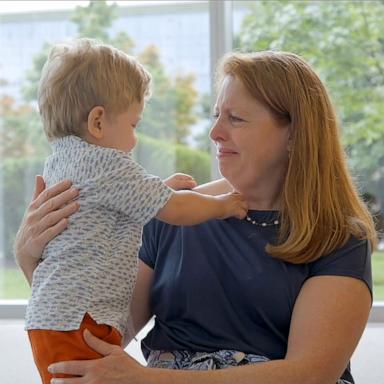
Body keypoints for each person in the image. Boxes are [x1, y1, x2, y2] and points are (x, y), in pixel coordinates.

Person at [15, 51, 377, 384]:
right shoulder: (172, 217)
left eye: (235, 118)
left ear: (296, 134)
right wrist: (30, 260)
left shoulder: (339, 238)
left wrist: (150, 380)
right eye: (215, 115)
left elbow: (311, 375)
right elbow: (104, 331)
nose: (214, 133)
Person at [23, 38, 247, 384]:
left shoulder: (63, 161)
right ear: (97, 121)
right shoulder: (108, 163)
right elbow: (175, 210)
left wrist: (159, 189)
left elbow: (120, 202)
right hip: (81, 321)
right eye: (133, 125)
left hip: (50, 317)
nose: (135, 139)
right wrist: (223, 205)